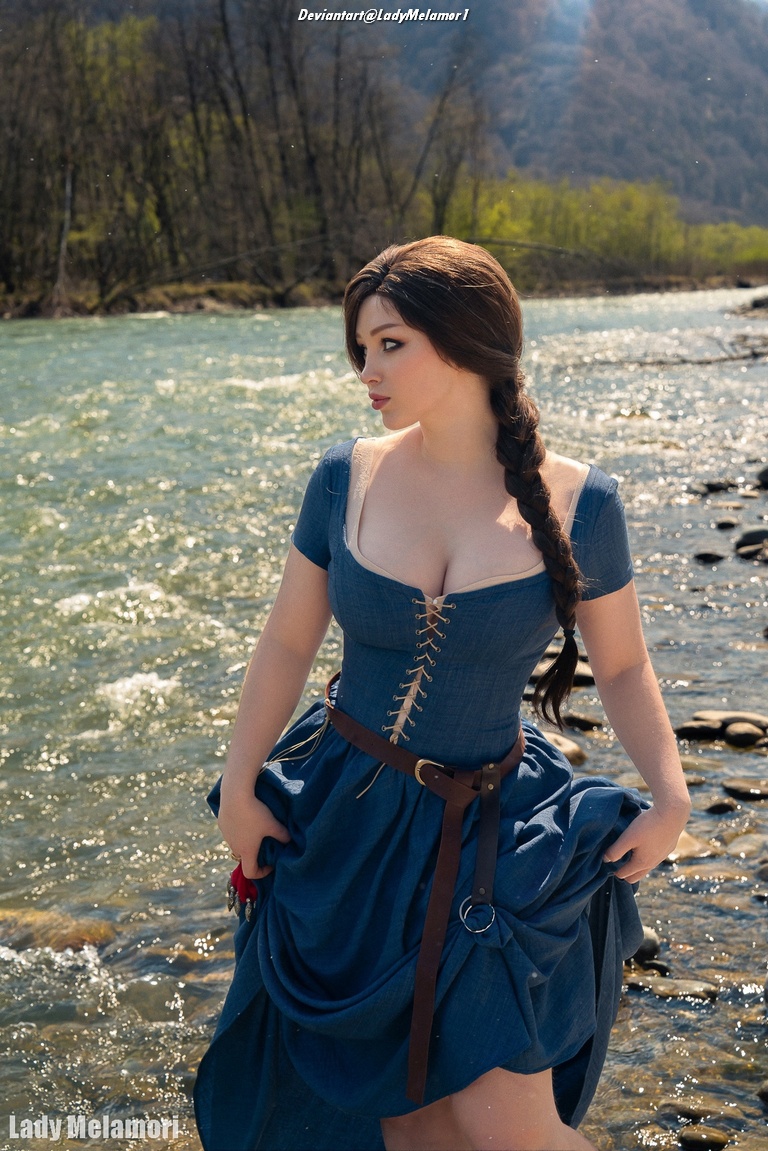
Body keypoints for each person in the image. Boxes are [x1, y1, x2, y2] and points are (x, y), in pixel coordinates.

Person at [193, 236, 691, 1151]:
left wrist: (671, 791)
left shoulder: (585, 502)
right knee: (410, 1123)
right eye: (361, 348)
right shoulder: (345, 477)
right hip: (346, 820)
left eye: (391, 344)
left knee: (509, 1126)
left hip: (497, 830)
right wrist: (237, 781)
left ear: (464, 342)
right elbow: (286, 643)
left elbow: (622, 666)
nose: (367, 370)